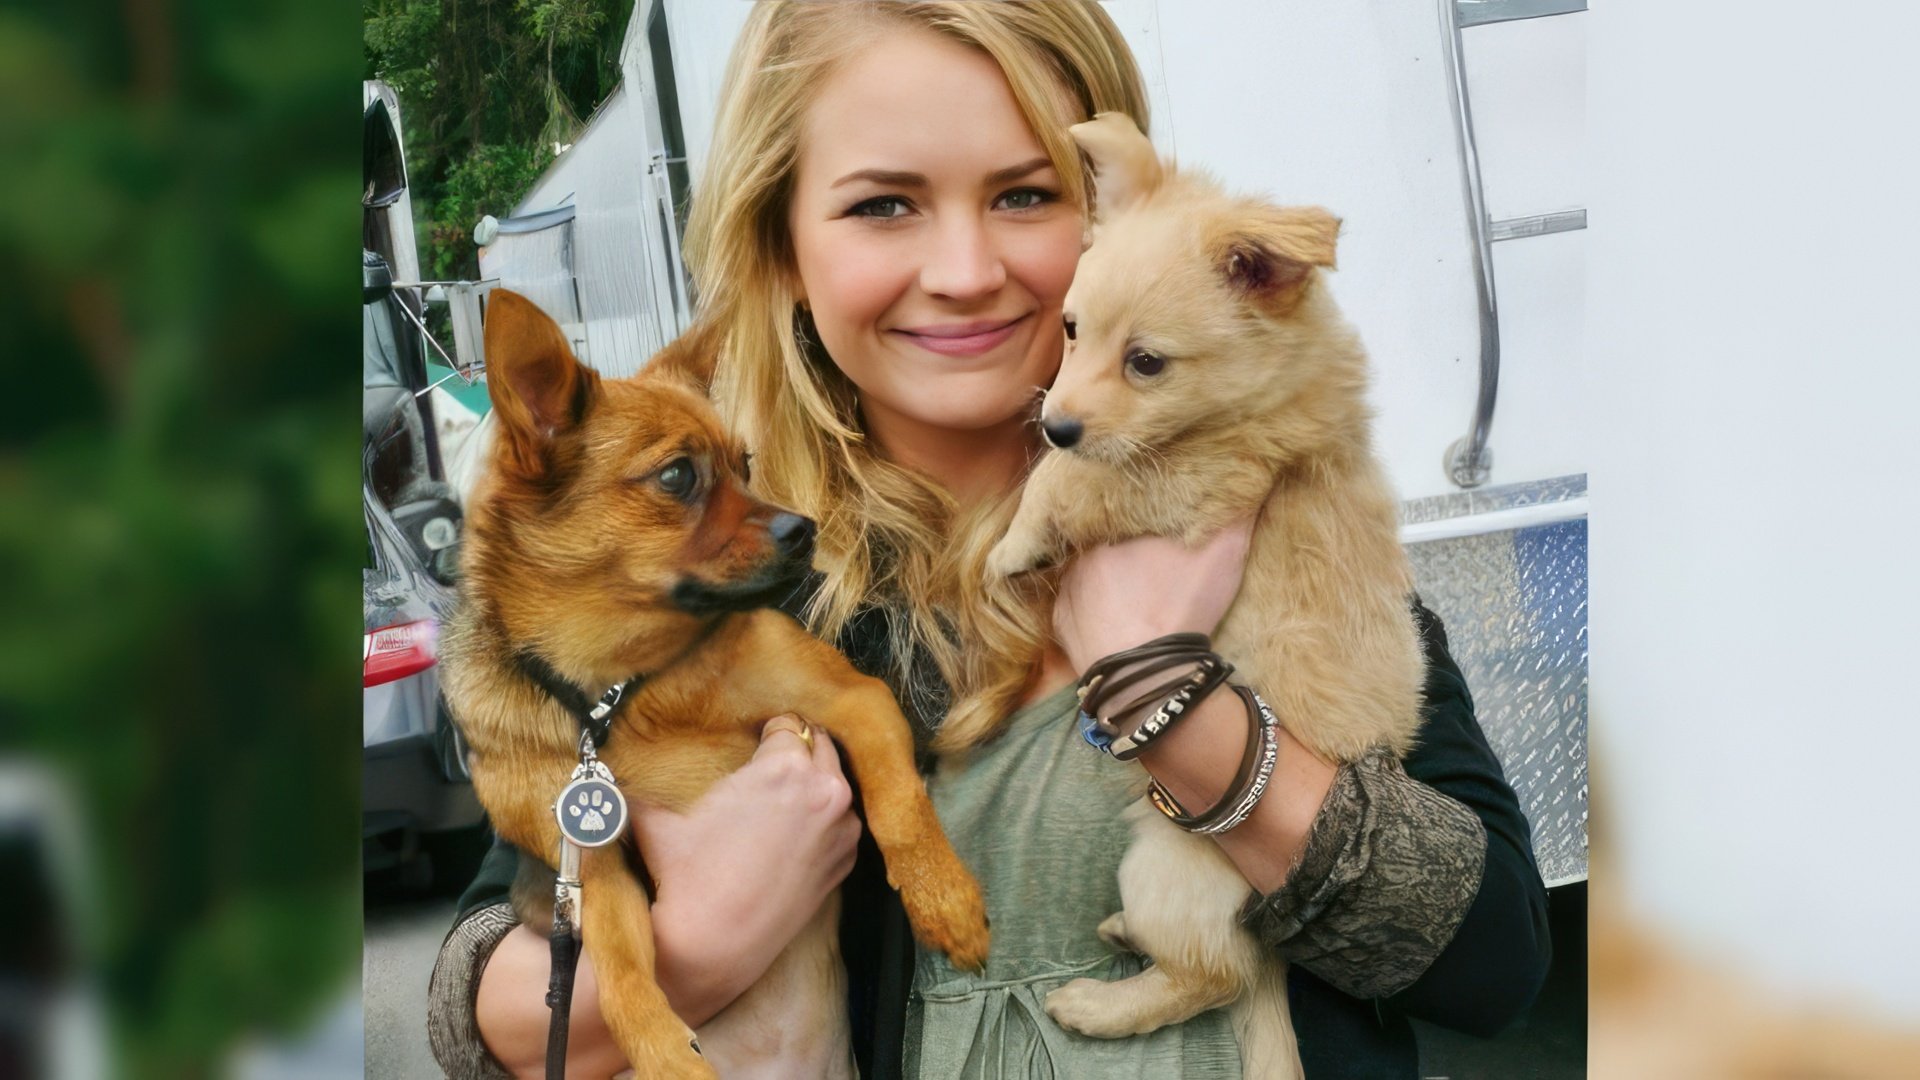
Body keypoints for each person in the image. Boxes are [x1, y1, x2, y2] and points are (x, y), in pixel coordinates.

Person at [427, 3, 1551, 1077]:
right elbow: (481, 1004)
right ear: (780, 249)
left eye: (1025, 195)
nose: (965, 272)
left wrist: (1172, 697)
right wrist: (706, 943)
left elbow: (1495, 961)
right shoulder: (738, 574)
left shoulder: (1267, 503)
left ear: (1111, 216)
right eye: (883, 206)